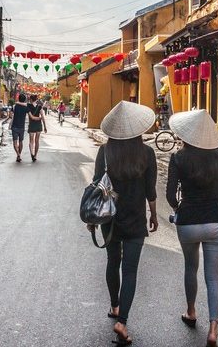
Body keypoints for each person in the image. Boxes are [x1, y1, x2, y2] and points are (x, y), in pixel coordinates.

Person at [166, 109, 218, 347]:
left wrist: (179, 207)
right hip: (216, 222)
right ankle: (213, 329)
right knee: (213, 278)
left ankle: (190, 311)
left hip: (187, 222)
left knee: (190, 267)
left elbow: (169, 194)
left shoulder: (178, 157)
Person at [88, 101, 158, 346]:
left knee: (112, 261)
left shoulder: (105, 152)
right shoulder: (147, 153)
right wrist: (154, 214)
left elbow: (97, 185)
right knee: (130, 271)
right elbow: (151, 190)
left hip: (109, 219)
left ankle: (115, 306)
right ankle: (123, 322)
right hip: (136, 219)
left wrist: (92, 220)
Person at [11, 93, 30, 162]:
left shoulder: (14, 106)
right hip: (22, 127)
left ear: (18, 99)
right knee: (21, 141)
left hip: (14, 126)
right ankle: (19, 155)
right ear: (24, 100)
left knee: (15, 142)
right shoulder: (26, 107)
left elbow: (10, 115)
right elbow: (30, 113)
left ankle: (18, 154)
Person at [27, 95, 47, 162]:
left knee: (31, 141)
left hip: (32, 125)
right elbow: (43, 117)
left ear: (31, 99)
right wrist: (45, 127)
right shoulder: (40, 106)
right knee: (37, 141)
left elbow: (31, 117)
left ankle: (32, 154)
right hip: (38, 125)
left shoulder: (28, 106)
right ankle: (35, 155)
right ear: (36, 99)